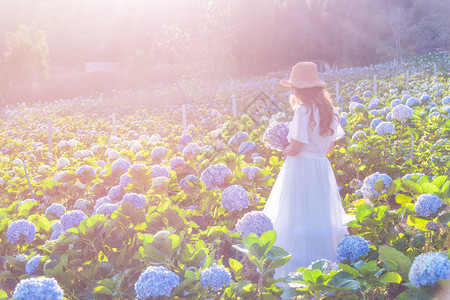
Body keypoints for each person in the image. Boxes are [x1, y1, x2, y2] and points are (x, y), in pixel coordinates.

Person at [262, 61, 355, 279]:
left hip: (300, 168)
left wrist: (282, 147)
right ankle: (322, 268)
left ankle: (294, 272)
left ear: (298, 90)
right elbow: (329, 147)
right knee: (318, 214)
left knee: (296, 213)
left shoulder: (303, 111)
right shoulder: (331, 113)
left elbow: (295, 148)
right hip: (321, 167)